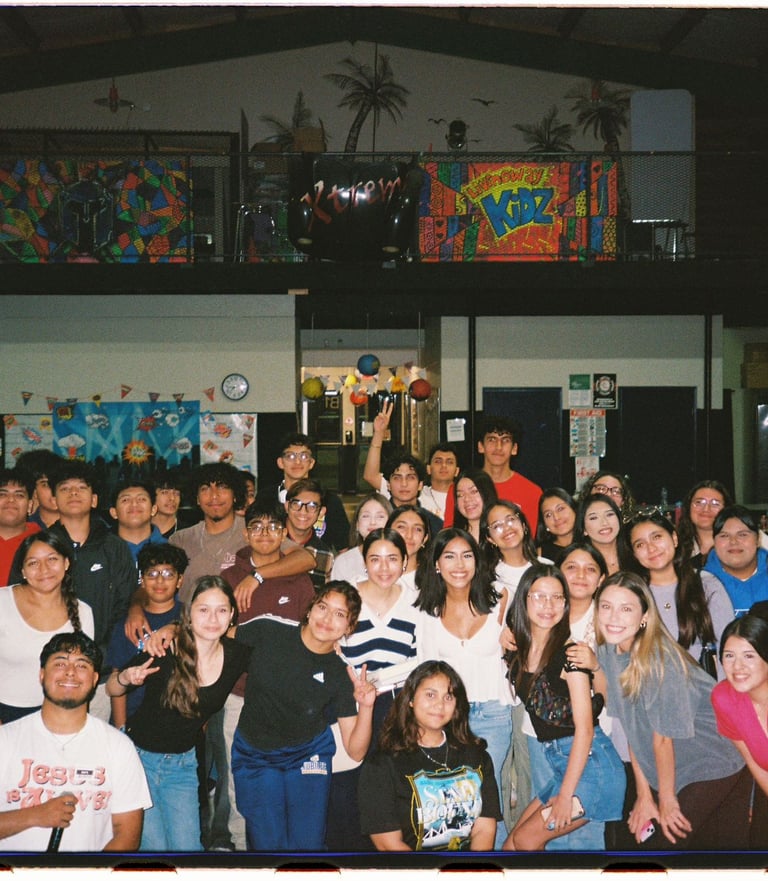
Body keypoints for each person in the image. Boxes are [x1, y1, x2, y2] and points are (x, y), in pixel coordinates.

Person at [595, 571, 752, 849]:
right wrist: (644, 795)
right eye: (606, 606)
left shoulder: (659, 660)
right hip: (672, 767)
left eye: (626, 608)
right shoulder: (609, 652)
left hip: (712, 762)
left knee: (666, 845)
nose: (613, 617)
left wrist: (665, 799)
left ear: (644, 616)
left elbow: (662, 739)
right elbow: (633, 730)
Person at [107, 576, 251, 851]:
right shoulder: (165, 649)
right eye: (203, 609)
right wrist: (126, 677)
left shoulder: (237, 654)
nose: (212, 618)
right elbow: (112, 689)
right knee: (156, 852)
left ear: (232, 614)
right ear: (189, 613)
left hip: (183, 765)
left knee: (189, 852)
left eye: (221, 610)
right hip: (138, 761)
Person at [231, 581, 376, 851]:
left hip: (308, 754)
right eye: (323, 607)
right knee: (267, 845)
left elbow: (355, 752)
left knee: (307, 845)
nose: (327, 618)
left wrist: (366, 706)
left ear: (349, 627)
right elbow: (215, 635)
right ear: (309, 610)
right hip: (255, 754)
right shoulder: (268, 629)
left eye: (340, 614)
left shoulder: (341, 673)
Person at [502, 564, 625, 851]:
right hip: (561, 765)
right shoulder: (518, 649)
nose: (548, 605)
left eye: (557, 597)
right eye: (539, 596)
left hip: (593, 768)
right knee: (510, 847)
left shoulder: (571, 656)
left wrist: (566, 795)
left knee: (526, 840)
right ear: (525, 600)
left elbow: (585, 730)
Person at [0, 632, 151, 852]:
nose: (70, 672)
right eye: (60, 663)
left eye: (82, 666)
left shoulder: (118, 747)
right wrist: (35, 815)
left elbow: (127, 836)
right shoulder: (6, 740)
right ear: (42, 675)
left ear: (95, 680)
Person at [220, 499, 315, 851]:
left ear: (284, 532)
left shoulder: (300, 577)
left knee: (285, 779)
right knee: (239, 780)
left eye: (273, 527)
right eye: (256, 526)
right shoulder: (229, 577)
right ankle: (243, 850)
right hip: (240, 696)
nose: (264, 533)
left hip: (289, 701)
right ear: (245, 532)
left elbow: (311, 634)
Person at [415, 527, 513, 848]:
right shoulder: (427, 611)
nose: (460, 564)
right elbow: (425, 672)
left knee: (487, 798)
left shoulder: (501, 596)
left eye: (467, 555)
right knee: (455, 800)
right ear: (436, 564)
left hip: (494, 715)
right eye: (450, 556)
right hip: (449, 718)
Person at [327, 527, 420, 851]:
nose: (384, 567)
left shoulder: (416, 600)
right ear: (363, 562)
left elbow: (421, 656)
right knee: (346, 788)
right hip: (349, 704)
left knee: (390, 789)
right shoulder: (346, 596)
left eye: (392, 559)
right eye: (375, 559)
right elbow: (330, 645)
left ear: (405, 560)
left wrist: (383, 679)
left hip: (397, 706)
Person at [358, 659, 502, 851]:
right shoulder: (382, 765)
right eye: (430, 695)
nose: (440, 705)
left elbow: (484, 830)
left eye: (448, 697)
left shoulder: (476, 756)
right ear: (410, 699)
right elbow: (388, 844)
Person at [37, 461, 136, 722]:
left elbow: (125, 606)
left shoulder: (115, 548)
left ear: (94, 500)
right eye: (65, 488)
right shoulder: (38, 546)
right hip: (47, 670)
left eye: (81, 487)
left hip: (99, 671)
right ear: (54, 499)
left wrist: (106, 658)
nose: (73, 493)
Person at [626, 507, 734, 677]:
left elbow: (728, 645)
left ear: (674, 538)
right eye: (640, 544)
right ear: (634, 554)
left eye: (657, 537)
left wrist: (722, 696)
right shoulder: (631, 593)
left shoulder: (705, 584)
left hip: (702, 690)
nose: (651, 548)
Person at [0, 531, 94, 724]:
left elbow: (83, 674)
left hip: (60, 716)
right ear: (23, 571)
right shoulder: (3, 602)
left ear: (66, 563)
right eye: (33, 563)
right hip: (5, 714)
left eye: (52, 559)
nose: (44, 569)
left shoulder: (83, 612)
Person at [105, 544, 188, 730]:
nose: (160, 581)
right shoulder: (128, 624)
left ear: (180, 580)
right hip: (133, 717)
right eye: (152, 574)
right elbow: (117, 680)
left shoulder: (190, 617)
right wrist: (121, 728)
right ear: (142, 580)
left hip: (176, 721)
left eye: (168, 574)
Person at [712, 612, 768, 844]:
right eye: (729, 656)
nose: (738, 667)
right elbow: (755, 762)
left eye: (749, 656)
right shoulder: (725, 698)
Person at [443, 415, 543, 535]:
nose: (498, 447)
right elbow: (449, 535)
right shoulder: (460, 490)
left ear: (514, 449)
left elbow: (528, 543)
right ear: (480, 446)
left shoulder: (532, 492)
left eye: (505, 440)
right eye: (492, 439)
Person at [258, 432, 350, 553]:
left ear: (311, 463)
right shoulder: (266, 497)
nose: (297, 462)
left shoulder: (329, 500)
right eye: (290, 456)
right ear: (280, 462)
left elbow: (343, 549)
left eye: (304, 456)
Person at [363, 399, 451, 524]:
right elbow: (370, 475)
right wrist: (378, 433)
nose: (404, 484)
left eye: (410, 477)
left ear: (420, 484)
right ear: (388, 484)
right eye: (397, 478)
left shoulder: (432, 521)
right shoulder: (380, 521)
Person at [703, 505, 768, 617]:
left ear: (757, 539)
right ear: (714, 541)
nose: (733, 541)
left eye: (742, 535)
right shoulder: (698, 584)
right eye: (724, 536)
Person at [330, 492, 392, 585]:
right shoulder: (344, 562)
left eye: (380, 516)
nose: (373, 522)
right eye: (366, 516)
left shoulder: (399, 559)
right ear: (357, 525)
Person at [284, 478, 335, 588]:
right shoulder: (269, 541)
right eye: (296, 504)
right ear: (286, 506)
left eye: (312, 506)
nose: (303, 511)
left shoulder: (325, 555)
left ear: (321, 512)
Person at [677, 479, 734, 569]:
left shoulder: (743, 541)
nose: (706, 509)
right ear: (688, 507)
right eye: (699, 502)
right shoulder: (675, 546)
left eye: (715, 503)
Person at [109, 480, 167, 564]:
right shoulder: (101, 550)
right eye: (125, 500)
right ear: (114, 512)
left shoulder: (168, 549)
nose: (134, 504)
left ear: (154, 509)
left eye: (142, 499)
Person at [0, 466, 40, 586]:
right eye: (2, 494)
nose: (11, 500)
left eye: (19, 495)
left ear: (30, 505)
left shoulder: (42, 544)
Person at [576, 493, 632, 576]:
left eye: (609, 514)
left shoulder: (637, 555)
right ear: (584, 529)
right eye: (594, 518)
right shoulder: (579, 564)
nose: (604, 522)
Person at [386, 504, 432, 591]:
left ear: (425, 538)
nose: (409, 535)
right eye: (401, 527)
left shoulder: (433, 580)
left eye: (418, 529)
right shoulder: (375, 574)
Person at [14, 449, 63, 530]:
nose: (54, 489)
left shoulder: (81, 523)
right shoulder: (19, 527)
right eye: (46, 484)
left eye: (59, 482)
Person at [449, 468, 498, 542]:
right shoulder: (450, 539)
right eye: (460, 495)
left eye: (474, 491)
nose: (467, 499)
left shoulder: (503, 535)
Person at [420, 443, 461, 522]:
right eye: (438, 461)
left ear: (457, 471)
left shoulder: (463, 497)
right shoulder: (419, 496)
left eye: (449, 462)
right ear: (428, 469)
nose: (444, 465)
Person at [536, 488, 578, 562]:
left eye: (560, 509)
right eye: (548, 515)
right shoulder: (540, 555)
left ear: (574, 509)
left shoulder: (593, 543)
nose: (556, 517)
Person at [151, 470, 186, 539]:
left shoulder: (188, 533)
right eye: (165, 492)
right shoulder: (139, 530)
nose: (172, 498)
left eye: (176, 493)